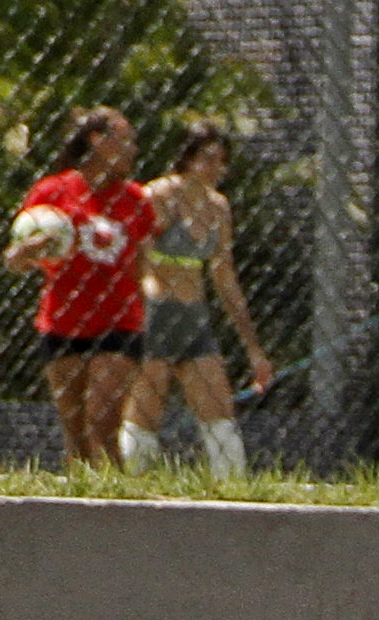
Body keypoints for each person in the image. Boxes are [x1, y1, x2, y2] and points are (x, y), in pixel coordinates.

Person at [117, 124, 277, 478]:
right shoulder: (156, 195)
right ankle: (130, 486)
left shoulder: (219, 208)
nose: (216, 168)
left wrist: (253, 348)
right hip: (155, 313)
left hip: (194, 316)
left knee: (219, 412)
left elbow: (225, 278)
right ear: (187, 158)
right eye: (207, 159)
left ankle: (233, 490)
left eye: (222, 161)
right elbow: (134, 262)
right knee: (145, 411)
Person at [9, 106, 155, 468]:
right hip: (63, 322)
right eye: (125, 140)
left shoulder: (135, 200)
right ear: (98, 141)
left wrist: (149, 310)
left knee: (103, 424)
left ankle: (118, 506)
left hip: (119, 323)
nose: (133, 149)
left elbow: (143, 266)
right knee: (76, 435)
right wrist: (25, 252)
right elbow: (14, 258)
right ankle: (77, 509)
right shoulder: (53, 191)